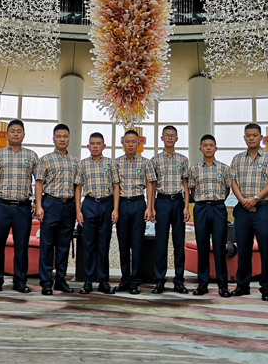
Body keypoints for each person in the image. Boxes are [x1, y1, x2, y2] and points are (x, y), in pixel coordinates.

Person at [0, 119, 39, 294]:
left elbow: (39, 180)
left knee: (21, 246)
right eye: (12, 131)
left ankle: (20, 281)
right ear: (7, 134)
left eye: (19, 131)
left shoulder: (32, 156)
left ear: (24, 135)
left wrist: (37, 202)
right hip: (1, 205)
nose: (15, 134)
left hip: (23, 207)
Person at [230, 123, 268, 301]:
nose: (251, 138)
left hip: (263, 209)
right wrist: (243, 200)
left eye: (255, 135)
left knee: (266, 250)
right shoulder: (237, 159)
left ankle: (267, 288)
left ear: (261, 137)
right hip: (242, 209)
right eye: (248, 135)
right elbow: (233, 181)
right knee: (243, 249)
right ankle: (242, 285)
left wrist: (255, 198)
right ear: (244, 138)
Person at [34, 124, 79, 295]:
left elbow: (77, 187)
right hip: (50, 204)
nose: (62, 139)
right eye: (59, 136)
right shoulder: (45, 160)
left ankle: (60, 280)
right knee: (47, 245)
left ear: (69, 139)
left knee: (64, 245)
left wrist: (77, 209)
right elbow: (39, 183)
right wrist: (39, 206)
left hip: (69, 206)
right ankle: (46, 282)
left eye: (65, 136)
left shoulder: (75, 162)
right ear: (53, 139)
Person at [75, 132, 121, 295]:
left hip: (106, 204)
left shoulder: (111, 163)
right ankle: (88, 281)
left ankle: (103, 281)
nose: (95, 146)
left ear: (104, 146)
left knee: (104, 244)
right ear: (88, 146)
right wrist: (78, 211)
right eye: (92, 143)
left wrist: (115, 209)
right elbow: (78, 188)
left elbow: (116, 186)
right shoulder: (82, 164)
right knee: (88, 244)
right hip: (88, 204)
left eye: (98, 143)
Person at [146, 125, 190, 294]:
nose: (170, 138)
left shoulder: (183, 160)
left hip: (178, 201)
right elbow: (152, 185)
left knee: (179, 242)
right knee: (161, 243)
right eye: (167, 135)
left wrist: (186, 206)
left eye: (172, 135)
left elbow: (186, 185)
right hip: (162, 202)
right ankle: (159, 280)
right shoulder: (155, 161)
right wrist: (151, 207)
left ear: (176, 139)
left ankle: (179, 280)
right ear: (162, 138)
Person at [187, 134, 231, 297]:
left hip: (218, 208)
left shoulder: (224, 168)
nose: (208, 148)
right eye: (205, 145)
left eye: (211, 145)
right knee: (202, 246)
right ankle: (202, 284)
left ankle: (223, 286)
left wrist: (217, 201)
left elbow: (227, 189)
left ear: (216, 148)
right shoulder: (194, 169)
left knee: (220, 247)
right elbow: (192, 190)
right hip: (201, 208)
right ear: (200, 149)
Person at [114, 130, 150, 295]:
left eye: (133, 141)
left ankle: (135, 281)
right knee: (123, 244)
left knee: (137, 244)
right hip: (122, 204)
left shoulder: (145, 163)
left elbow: (149, 186)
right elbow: (114, 187)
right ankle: (125, 279)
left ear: (138, 144)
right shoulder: (116, 163)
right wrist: (115, 208)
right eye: (127, 141)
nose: (130, 144)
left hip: (138, 203)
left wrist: (149, 207)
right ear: (123, 143)